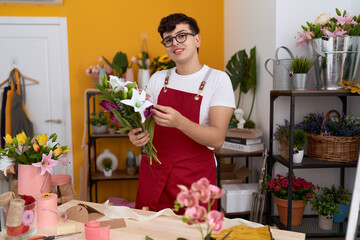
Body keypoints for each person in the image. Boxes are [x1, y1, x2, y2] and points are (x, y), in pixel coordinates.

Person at [128, 13, 235, 213]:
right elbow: (145, 125)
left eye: (182, 35)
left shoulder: (218, 80)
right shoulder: (158, 79)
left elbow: (218, 138)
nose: (175, 43)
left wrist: (179, 122)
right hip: (154, 176)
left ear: (197, 39)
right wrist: (137, 135)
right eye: (168, 40)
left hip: (193, 182)